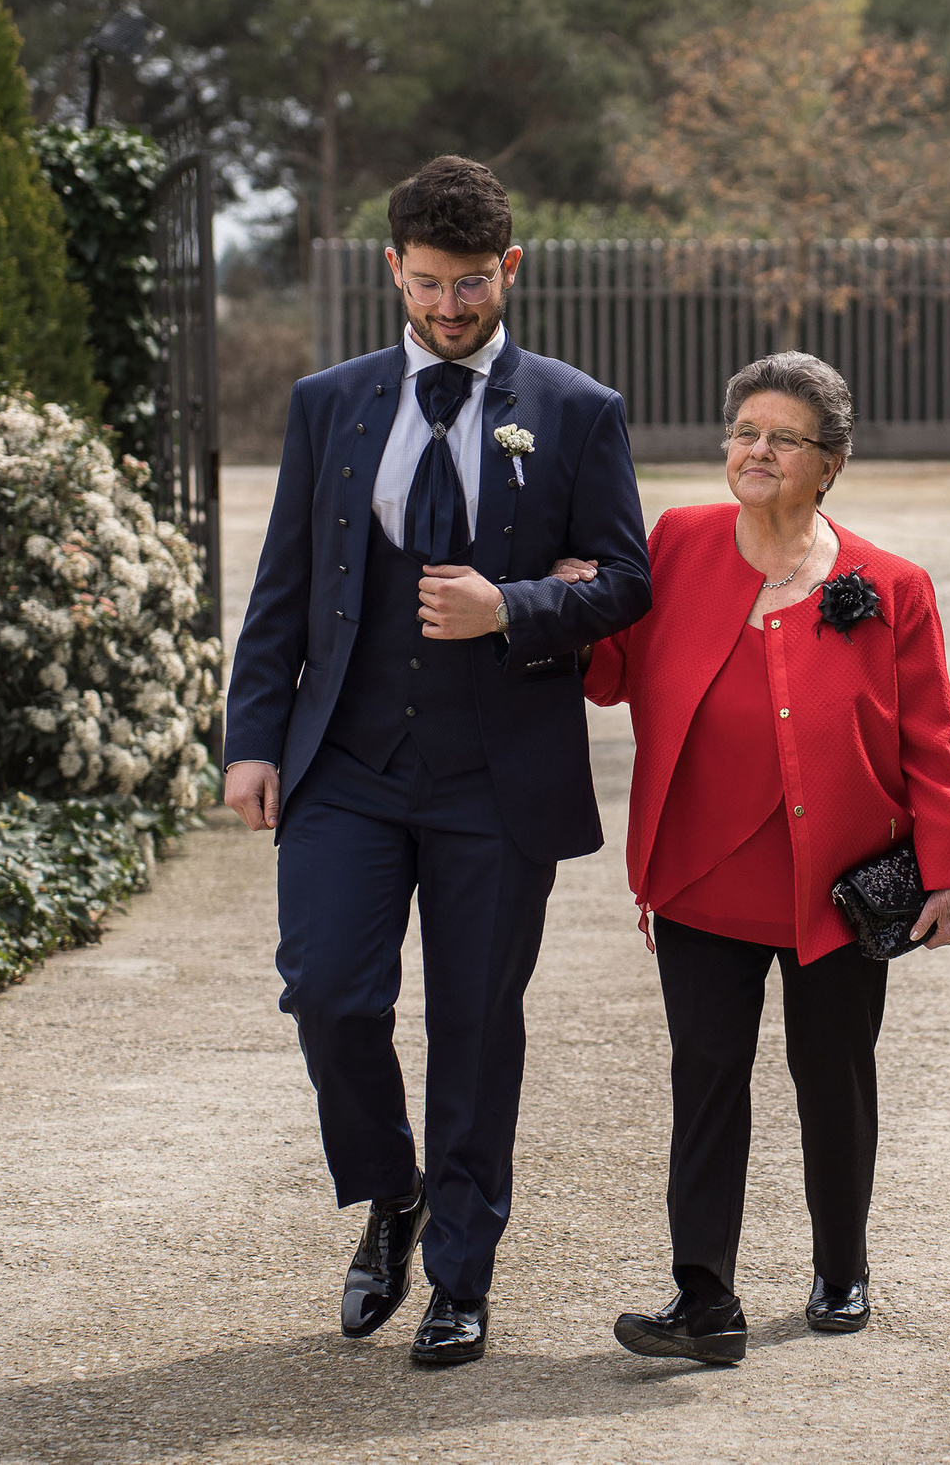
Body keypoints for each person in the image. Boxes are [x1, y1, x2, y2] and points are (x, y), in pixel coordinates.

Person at [222, 155, 650, 1366]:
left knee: (473, 1025)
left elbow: (626, 582)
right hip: (346, 764)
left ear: (509, 267)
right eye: (426, 284)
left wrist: (512, 606)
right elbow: (282, 592)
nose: (449, 308)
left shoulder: (575, 409)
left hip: (494, 779)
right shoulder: (329, 402)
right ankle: (390, 1195)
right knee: (329, 994)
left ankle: (461, 1275)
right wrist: (254, 740)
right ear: (393, 271)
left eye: (471, 284)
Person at [572, 350, 950, 1366]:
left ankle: (840, 1267)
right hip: (703, 874)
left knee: (833, 1076)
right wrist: (571, 600)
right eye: (745, 432)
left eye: (783, 438)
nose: (756, 451)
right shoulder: (673, 543)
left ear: (829, 463)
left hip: (838, 886)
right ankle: (702, 1300)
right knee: (706, 1078)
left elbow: (930, 741)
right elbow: (607, 675)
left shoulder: (889, 585)